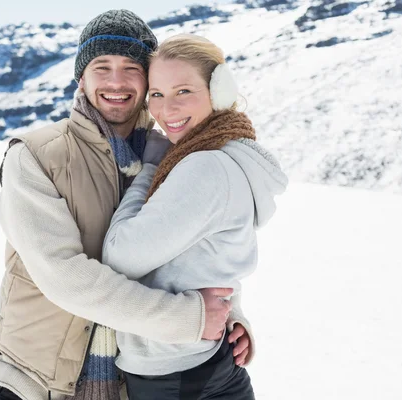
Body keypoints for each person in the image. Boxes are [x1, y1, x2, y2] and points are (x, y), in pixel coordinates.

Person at [0, 11, 254, 400]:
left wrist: (231, 315)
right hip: (37, 383)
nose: (116, 82)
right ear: (82, 78)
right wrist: (190, 318)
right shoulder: (35, 157)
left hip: (137, 383)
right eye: (102, 66)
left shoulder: (174, 156)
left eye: (132, 67)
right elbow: (63, 276)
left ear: (149, 80)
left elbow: (202, 250)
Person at [102, 34, 288, 399]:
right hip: (202, 364)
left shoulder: (204, 166)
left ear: (218, 91)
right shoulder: (225, 154)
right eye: (156, 93)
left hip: (177, 375)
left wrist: (150, 166)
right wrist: (234, 310)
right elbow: (212, 255)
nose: (166, 109)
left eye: (183, 91)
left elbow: (119, 255)